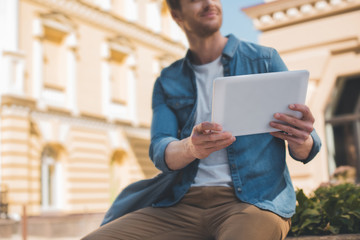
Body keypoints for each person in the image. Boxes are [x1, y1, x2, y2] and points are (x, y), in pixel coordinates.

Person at [82, 0, 321, 239]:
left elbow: (306, 149)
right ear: (177, 15)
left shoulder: (264, 60)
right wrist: (191, 147)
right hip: (180, 205)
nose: (209, 3)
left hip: (254, 204)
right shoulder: (168, 79)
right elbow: (159, 149)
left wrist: (301, 138)